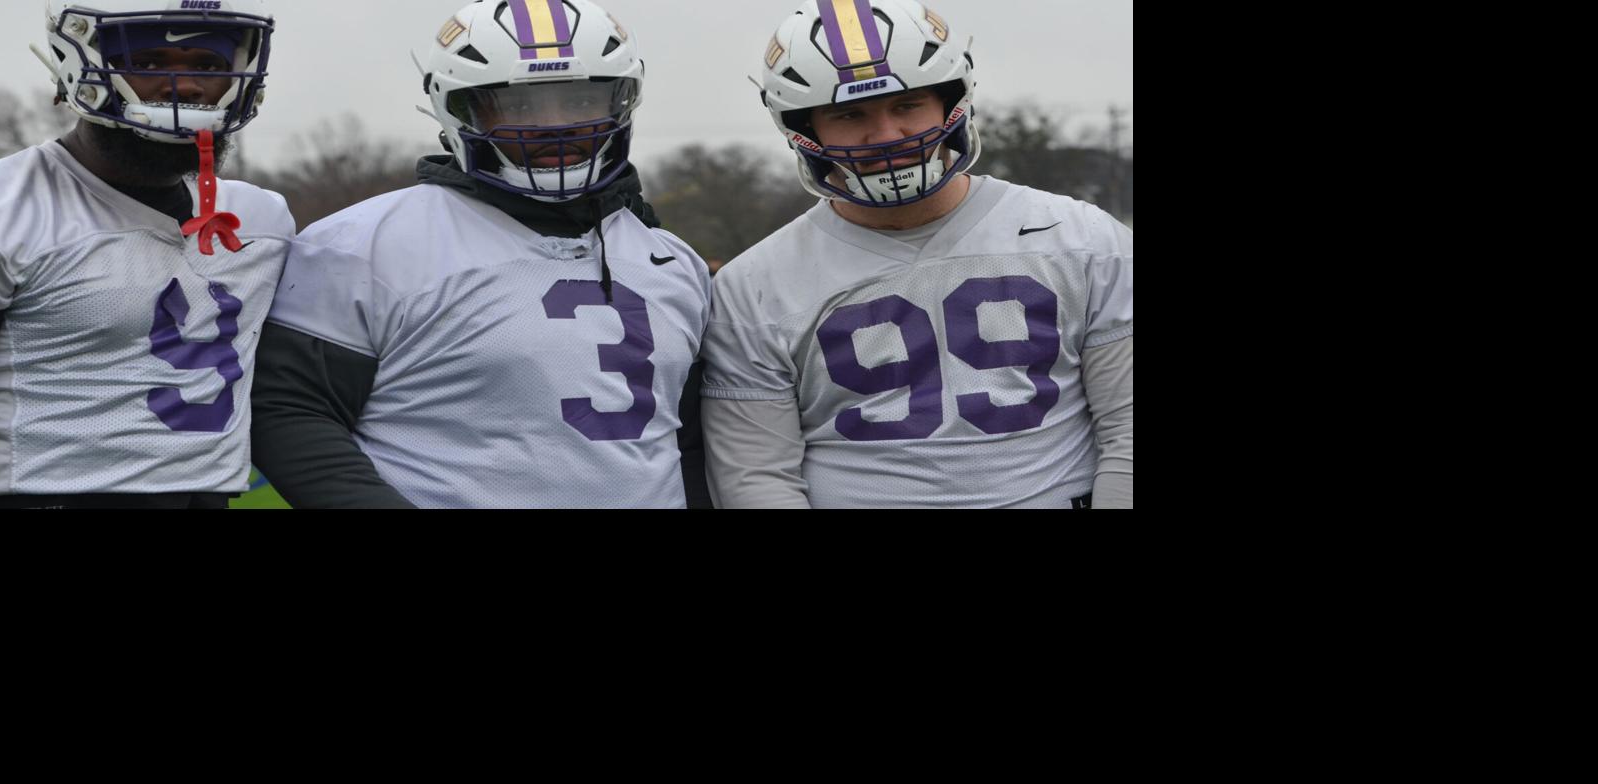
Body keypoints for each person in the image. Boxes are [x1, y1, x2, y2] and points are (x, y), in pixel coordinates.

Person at [252, 0, 710, 508]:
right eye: (518, 106)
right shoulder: (363, 244)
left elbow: (686, 442)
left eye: (581, 101)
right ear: (459, 110)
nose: (554, 127)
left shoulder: (673, 260)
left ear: (622, 99)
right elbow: (290, 410)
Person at [701, 0, 1133, 508]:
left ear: (952, 100)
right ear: (804, 129)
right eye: (849, 114)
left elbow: (1126, 427)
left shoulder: (1080, 237)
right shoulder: (752, 285)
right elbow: (757, 477)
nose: (886, 135)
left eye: (906, 105)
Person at [0, 0, 291, 510]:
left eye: (208, 66)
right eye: (147, 64)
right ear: (74, 65)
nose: (186, 86)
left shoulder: (264, 222)